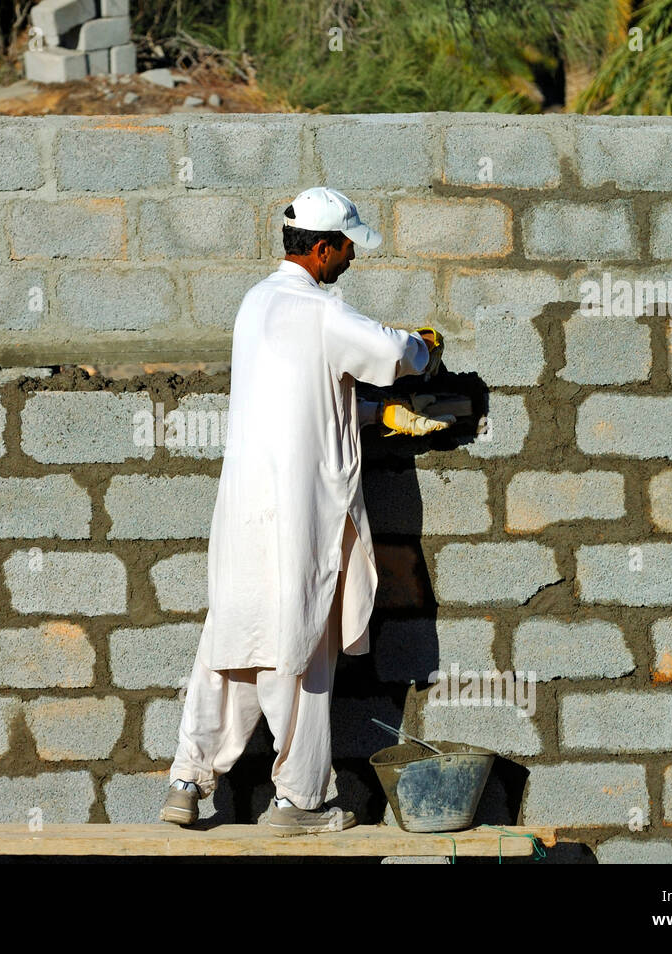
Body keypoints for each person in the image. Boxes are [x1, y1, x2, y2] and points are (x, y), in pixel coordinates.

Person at [159, 186, 454, 836]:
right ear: (322, 249)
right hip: (299, 522)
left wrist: (375, 416)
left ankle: (185, 780)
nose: (350, 259)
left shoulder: (256, 304)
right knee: (301, 652)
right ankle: (299, 802)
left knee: (233, 646)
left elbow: (300, 398)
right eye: (347, 249)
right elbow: (390, 353)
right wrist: (427, 347)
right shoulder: (318, 309)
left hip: (245, 520)